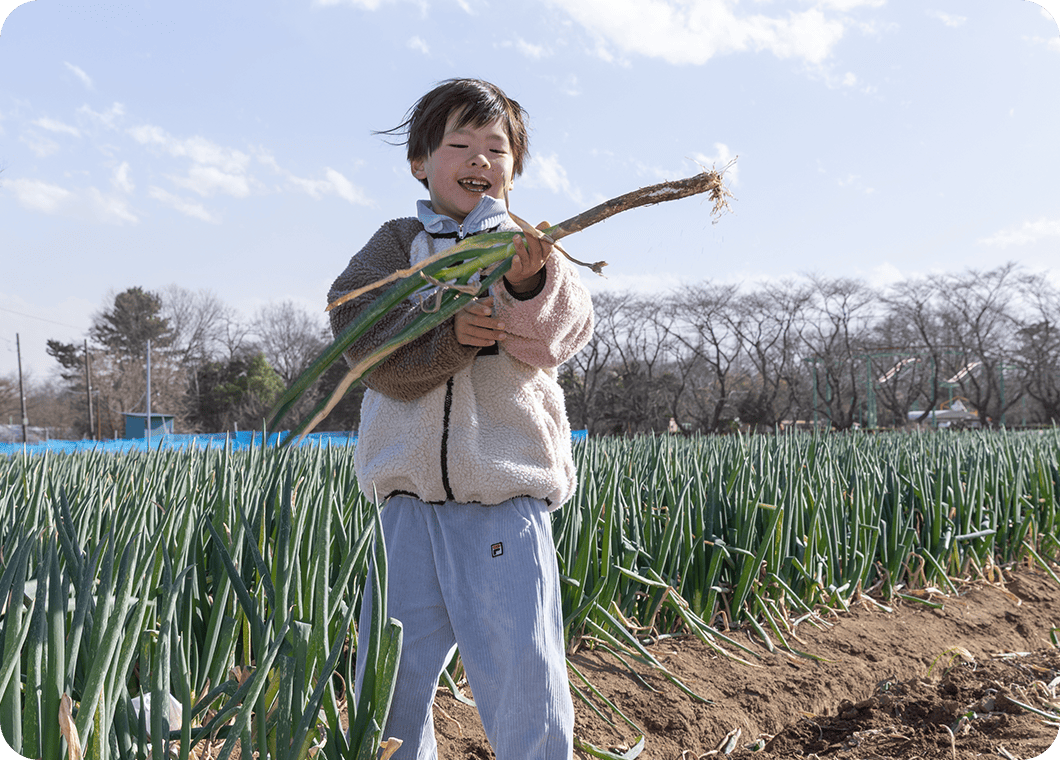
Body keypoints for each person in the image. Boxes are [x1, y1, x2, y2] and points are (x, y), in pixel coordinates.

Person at [327, 78, 594, 759]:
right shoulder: (397, 244)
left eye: (496, 149)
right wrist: (450, 332)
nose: (480, 159)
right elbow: (358, 325)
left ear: (515, 168)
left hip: (501, 503)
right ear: (420, 162)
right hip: (406, 506)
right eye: (461, 144)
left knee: (522, 680)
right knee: (389, 689)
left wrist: (527, 288)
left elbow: (562, 334)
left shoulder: (529, 249)